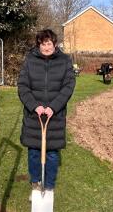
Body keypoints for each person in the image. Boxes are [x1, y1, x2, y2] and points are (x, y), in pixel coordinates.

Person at [18, 29, 76, 199]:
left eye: (49, 43)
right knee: (34, 152)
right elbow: (22, 86)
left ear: (54, 44)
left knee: (51, 154)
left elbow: (68, 86)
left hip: (54, 116)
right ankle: (35, 184)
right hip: (33, 116)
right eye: (43, 44)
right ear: (39, 45)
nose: (46, 47)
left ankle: (49, 186)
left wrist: (53, 107)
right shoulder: (30, 61)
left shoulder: (65, 61)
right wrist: (34, 106)